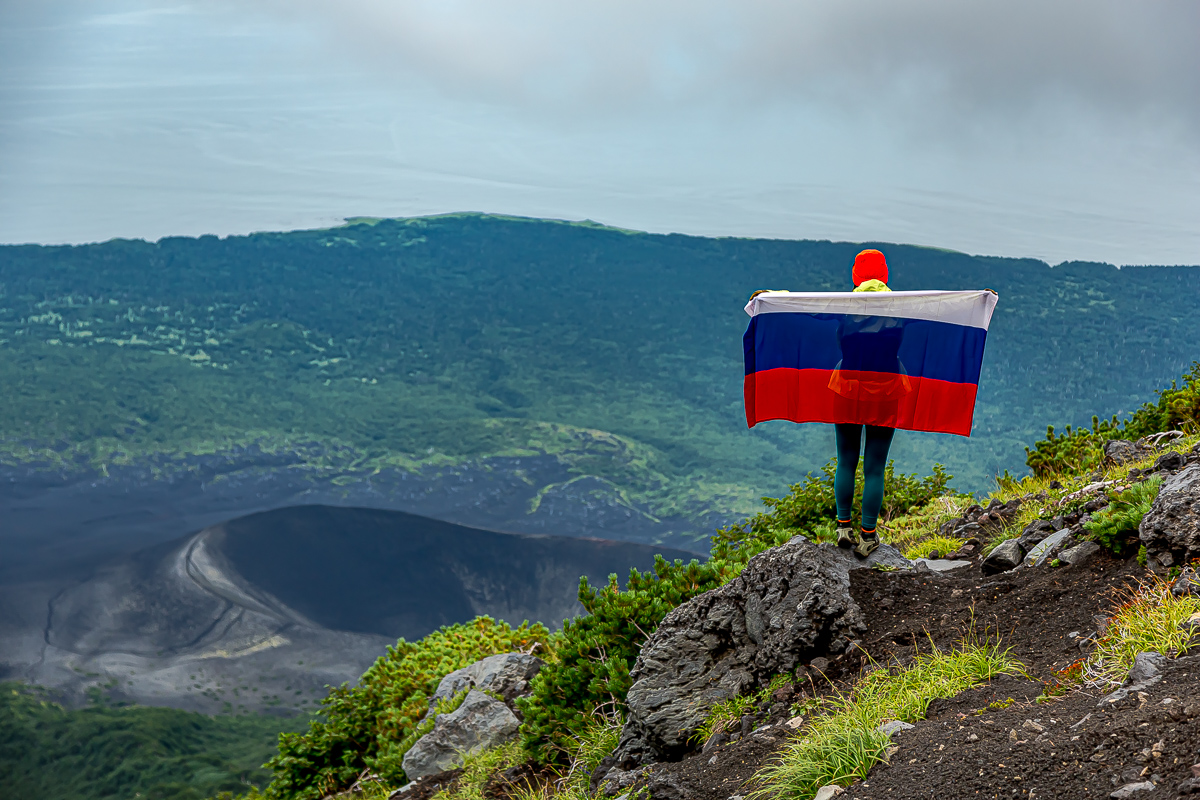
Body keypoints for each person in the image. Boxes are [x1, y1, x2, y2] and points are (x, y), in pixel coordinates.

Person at [833, 248, 897, 558]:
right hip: (887, 391)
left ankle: (843, 527)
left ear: (856, 275)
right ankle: (868, 536)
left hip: (846, 388)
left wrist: (769, 299)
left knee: (846, 460)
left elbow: (807, 311)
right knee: (875, 467)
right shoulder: (902, 310)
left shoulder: (843, 309)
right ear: (885, 274)